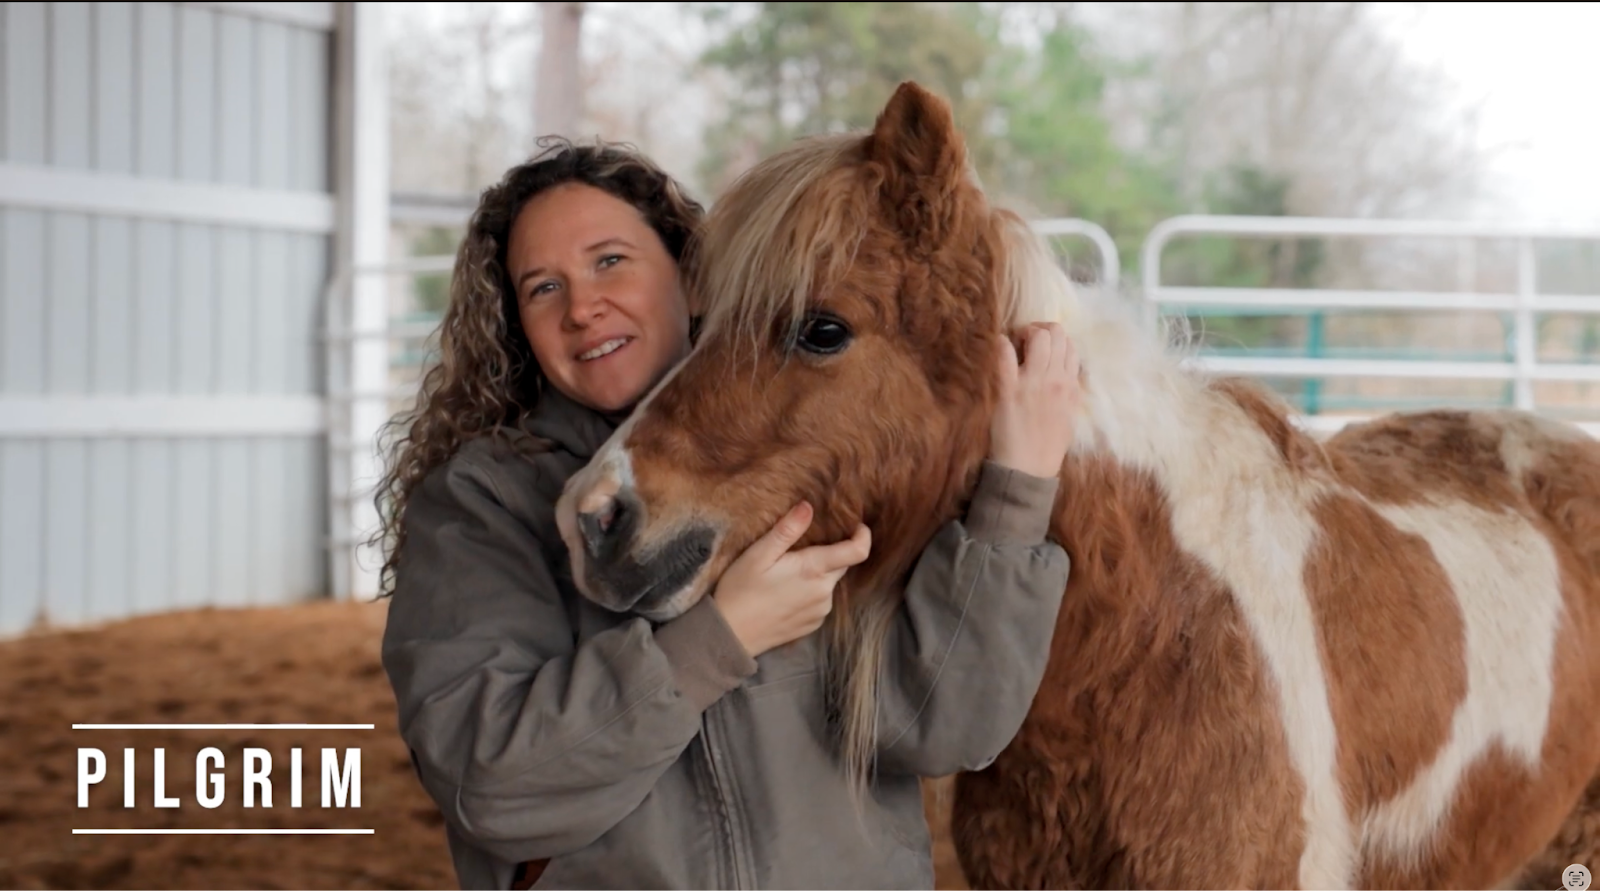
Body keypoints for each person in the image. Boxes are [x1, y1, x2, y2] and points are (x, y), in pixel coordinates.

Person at [376, 137, 1081, 891]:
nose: (583, 307)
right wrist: (721, 639)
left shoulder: (813, 450)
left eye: (610, 260)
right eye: (542, 287)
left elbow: (942, 727)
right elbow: (495, 789)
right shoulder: (482, 505)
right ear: (519, 324)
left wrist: (1015, 492)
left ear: (689, 270)